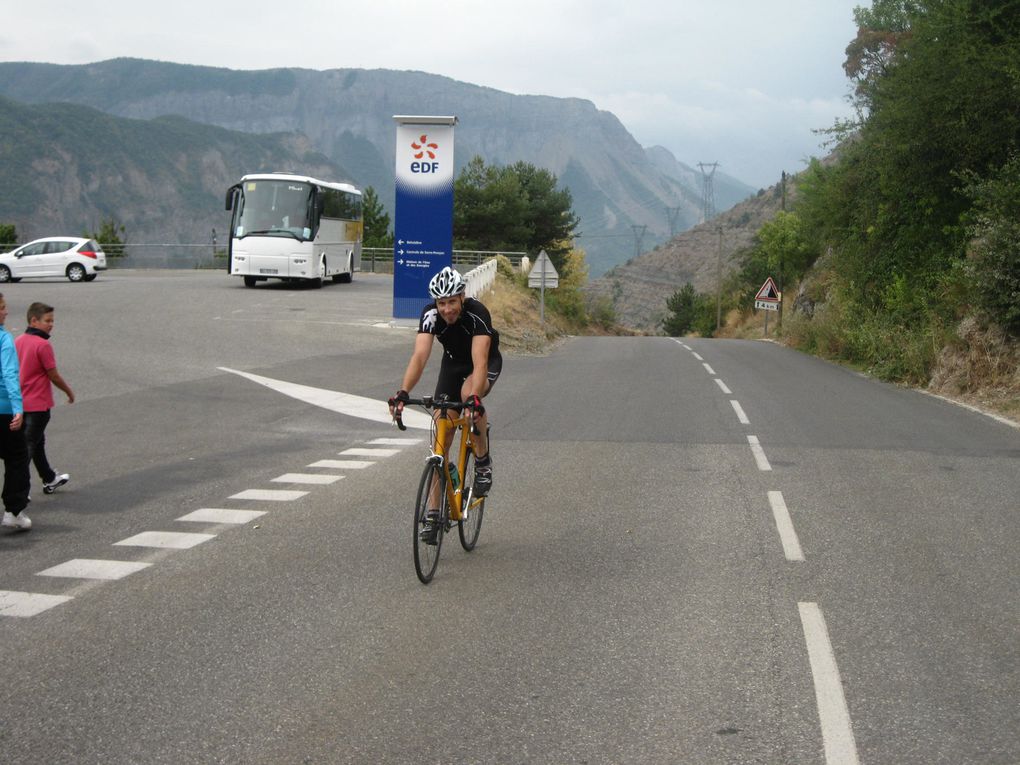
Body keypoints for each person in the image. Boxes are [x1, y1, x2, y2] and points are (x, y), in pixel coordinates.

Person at [389, 267, 501, 538]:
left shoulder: (477, 314)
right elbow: (420, 356)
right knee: (441, 434)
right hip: (451, 366)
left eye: (452, 301)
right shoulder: (429, 315)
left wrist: (475, 399)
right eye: (442, 303)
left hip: (481, 364)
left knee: (467, 398)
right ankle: (433, 514)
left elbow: (480, 360)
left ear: (462, 297)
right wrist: (403, 392)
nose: (447, 309)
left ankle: (483, 461)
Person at [16, 302, 74, 496]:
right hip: (38, 405)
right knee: (28, 447)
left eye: (52, 321)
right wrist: (68, 391)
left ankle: (49, 478)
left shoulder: (18, 341)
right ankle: (19, 490)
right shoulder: (43, 345)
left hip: (20, 403)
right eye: (47, 321)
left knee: (37, 442)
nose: (51, 325)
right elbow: (53, 375)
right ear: (34, 321)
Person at [0, 293, 31, 530]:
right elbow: (10, 374)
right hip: (4, 409)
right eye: (1, 308)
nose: (6, 312)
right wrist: (18, 409)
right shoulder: (4, 339)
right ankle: (14, 510)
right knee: (17, 457)